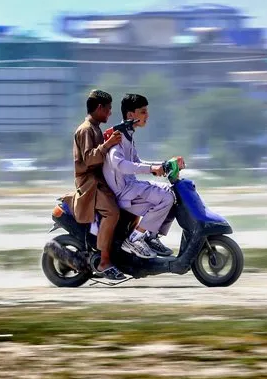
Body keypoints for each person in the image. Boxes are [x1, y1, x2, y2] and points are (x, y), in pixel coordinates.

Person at [103, 93, 185, 259]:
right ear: (130, 115)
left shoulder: (128, 134)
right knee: (166, 198)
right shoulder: (117, 136)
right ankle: (133, 239)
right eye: (143, 112)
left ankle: (150, 236)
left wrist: (163, 164)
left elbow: (137, 161)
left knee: (173, 193)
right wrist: (151, 168)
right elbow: (120, 165)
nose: (147, 115)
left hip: (132, 187)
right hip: (124, 192)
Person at [64, 89, 125, 280]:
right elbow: (89, 159)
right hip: (90, 183)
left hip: (100, 180)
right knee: (112, 212)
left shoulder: (95, 128)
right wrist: (108, 144)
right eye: (108, 109)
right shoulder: (85, 130)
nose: (110, 113)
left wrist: (107, 139)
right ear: (99, 108)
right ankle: (104, 262)